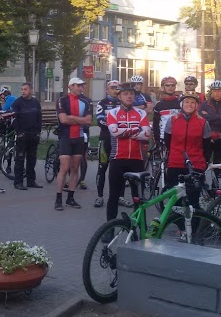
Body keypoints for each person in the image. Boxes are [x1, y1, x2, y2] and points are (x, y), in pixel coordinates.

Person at [105, 82, 151, 220]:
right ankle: (110, 228)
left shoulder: (141, 113)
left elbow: (146, 135)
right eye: (125, 94)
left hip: (137, 160)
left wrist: (124, 132)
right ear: (119, 97)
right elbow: (114, 132)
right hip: (117, 159)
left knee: (138, 197)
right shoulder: (112, 113)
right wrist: (136, 130)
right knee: (113, 196)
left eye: (131, 94)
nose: (129, 96)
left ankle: (140, 228)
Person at [163, 92, 211, 213]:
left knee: (193, 199)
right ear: (181, 104)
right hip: (175, 163)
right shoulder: (172, 120)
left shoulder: (203, 122)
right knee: (176, 199)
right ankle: (179, 223)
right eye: (186, 102)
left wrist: (204, 162)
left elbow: (207, 146)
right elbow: (168, 141)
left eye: (193, 102)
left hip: (195, 164)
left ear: (197, 105)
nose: (189, 104)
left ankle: (194, 223)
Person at [54, 77, 92, 211]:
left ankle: (70, 197)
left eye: (82, 86)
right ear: (71, 86)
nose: (81, 88)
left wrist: (72, 118)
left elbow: (89, 121)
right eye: (78, 85)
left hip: (79, 137)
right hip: (65, 137)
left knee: (75, 168)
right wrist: (80, 119)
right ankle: (58, 199)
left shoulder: (86, 101)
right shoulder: (62, 100)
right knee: (64, 168)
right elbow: (63, 120)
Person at [198, 80, 221, 181]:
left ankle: (217, 182)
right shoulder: (204, 104)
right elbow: (202, 119)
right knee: (204, 160)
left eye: (219, 91)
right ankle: (201, 180)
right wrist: (219, 117)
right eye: (214, 91)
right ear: (211, 92)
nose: (217, 93)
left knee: (219, 162)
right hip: (207, 137)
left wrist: (210, 117)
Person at [94, 80, 121, 208]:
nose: (115, 90)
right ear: (107, 90)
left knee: (119, 169)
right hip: (106, 140)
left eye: (117, 87)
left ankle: (119, 196)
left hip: (120, 141)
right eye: (112, 87)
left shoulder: (123, 102)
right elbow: (100, 121)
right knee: (102, 168)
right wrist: (115, 126)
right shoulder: (102, 103)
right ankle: (99, 196)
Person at [11, 82, 43, 191]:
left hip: (33, 135)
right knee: (20, 159)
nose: (23, 91)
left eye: (25, 89)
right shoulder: (17, 103)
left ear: (31, 90)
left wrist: (38, 132)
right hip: (22, 135)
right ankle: (18, 182)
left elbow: (39, 117)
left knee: (32, 158)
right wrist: (19, 132)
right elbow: (13, 118)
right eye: (22, 89)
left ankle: (31, 181)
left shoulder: (35, 102)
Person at [152, 76, 180, 153]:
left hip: (179, 138)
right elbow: (155, 125)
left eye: (173, 85)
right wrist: (157, 140)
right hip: (163, 139)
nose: (170, 87)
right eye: (167, 85)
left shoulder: (180, 103)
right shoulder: (159, 105)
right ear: (162, 88)